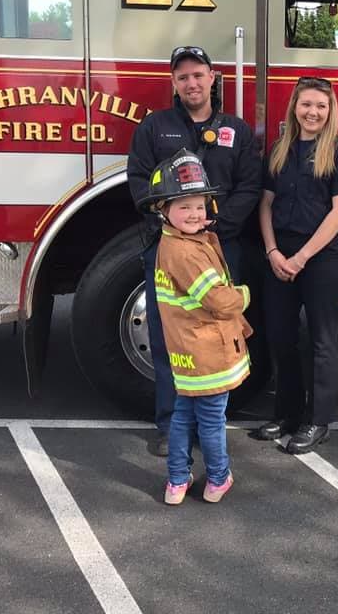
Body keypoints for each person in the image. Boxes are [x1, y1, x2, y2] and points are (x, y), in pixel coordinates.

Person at [127, 45, 261, 456]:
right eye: (183, 76)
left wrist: (216, 225)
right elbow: (138, 181)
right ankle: (170, 426)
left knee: (219, 332)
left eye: (198, 75)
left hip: (220, 249)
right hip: (167, 250)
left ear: (213, 78)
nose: (192, 83)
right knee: (170, 337)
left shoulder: (236, 131)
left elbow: (249, 186)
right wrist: (171, 227)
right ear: (173, 83)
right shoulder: (154, 127)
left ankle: (212, 422)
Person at [137, 150, 252, 504]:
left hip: (185, 356)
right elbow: (217, 300)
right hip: (208, 355)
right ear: (163, 210)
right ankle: (218, 479)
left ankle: (176, 482)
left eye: (199, 206)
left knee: (183, 417)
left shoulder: (172, 244)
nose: (194, 214)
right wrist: (243, 295)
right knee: (212, 421)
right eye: (184, 207)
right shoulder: (187, 252)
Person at [253, 77, 338, 454]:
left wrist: (300, 258)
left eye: (321, 106)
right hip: (280, 254)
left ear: (330, 112)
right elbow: (265, 203)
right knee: (280, 336)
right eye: (306, 105)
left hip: (321, 258)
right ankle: (287, 413)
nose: (313, 112)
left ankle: (319, 420)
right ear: (294, 108)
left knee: (322, 340)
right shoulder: (280, 150)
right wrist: (272, 252)